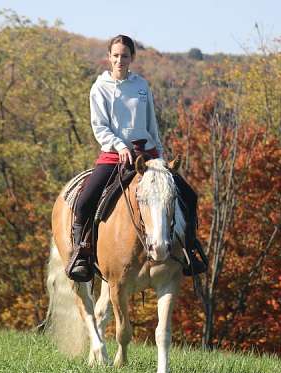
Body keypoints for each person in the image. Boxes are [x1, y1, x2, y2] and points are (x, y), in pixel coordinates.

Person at [67, 34, 207, 282]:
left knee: (189, 195)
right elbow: (100, 127)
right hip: (114, 156)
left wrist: (161, 156)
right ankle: (82, 253)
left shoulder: (141, 85)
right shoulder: (99, 88)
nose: (120, 60)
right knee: (84, 201)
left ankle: (190, 248)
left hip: (148, 155)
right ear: (109, 57)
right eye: (116, 55)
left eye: (125, 56)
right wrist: (120, 145)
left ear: (132, 57)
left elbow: (151, 125)